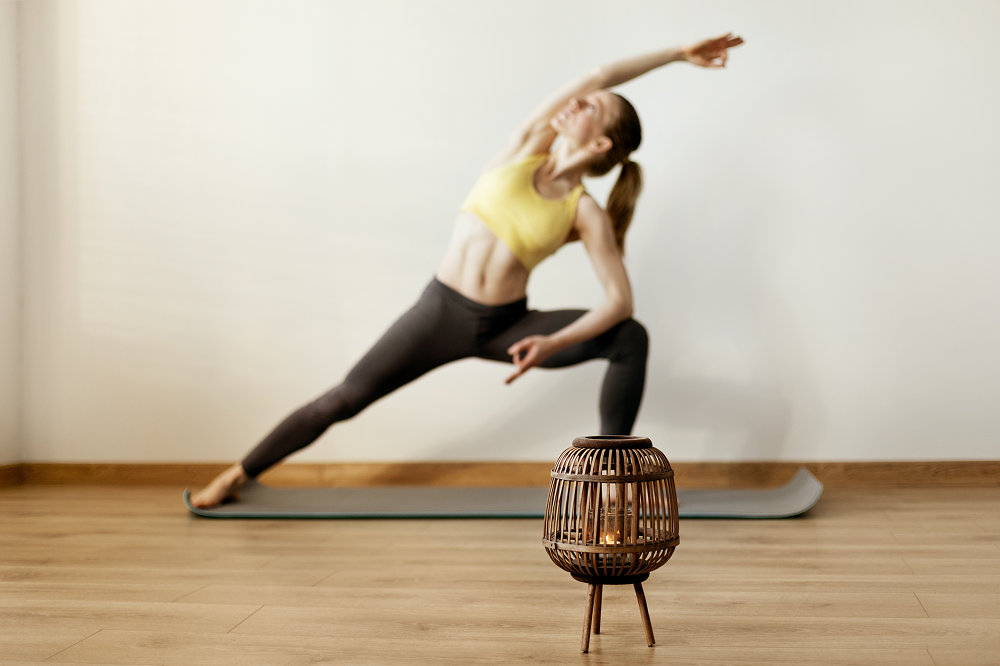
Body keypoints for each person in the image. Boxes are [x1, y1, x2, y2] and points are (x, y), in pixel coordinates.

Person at [190, 33, 744, 508]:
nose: (575, 102)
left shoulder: (584, 211)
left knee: (630, 337)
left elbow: (618, 303)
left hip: (507, 327)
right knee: (344, 399)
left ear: (599, 143)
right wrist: (676, 54)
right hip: (439, 313)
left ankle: (612, 486)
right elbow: (598, 73)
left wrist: (551, 344)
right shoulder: (524, 148)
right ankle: (237, 476)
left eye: (589, 107)